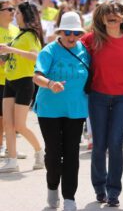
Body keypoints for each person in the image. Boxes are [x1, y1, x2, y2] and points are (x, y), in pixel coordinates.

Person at [81, 2, 123, 207]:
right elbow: (70, 51)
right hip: (98, 97)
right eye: (108, 14)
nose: (112, 16)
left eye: (116, 13)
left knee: (115, 144)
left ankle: (114, 191)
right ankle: (99, 188)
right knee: (99, 145)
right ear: (101, 18)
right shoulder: (91, 39)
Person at [33, 12, 88, 211]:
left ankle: (69, 198)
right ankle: (52, 187)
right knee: (54, 153)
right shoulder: (49, 51)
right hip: (49, 109)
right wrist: (50, 83)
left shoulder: (85, 51)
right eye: (67, 32)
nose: (71, 37)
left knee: (72, 153)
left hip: (76, 109)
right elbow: (36, 76)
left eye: (76, 33)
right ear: (60, 31)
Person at [0, 2, 45, 173]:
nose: (15, 15)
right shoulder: (19, 34)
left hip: (24, 82)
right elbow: (14, 56)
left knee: (19, 125)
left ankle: (39, 151)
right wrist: (5, 54)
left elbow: (35, 57)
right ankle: (12, 160)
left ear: (25, 15)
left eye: (17, 12)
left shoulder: (31, 36)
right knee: (7, 123)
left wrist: (11, 49)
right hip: (10, 80)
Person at [0, 0, 19, 158]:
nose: (13, 11)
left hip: (12, 78)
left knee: (11, 117)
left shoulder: (15, 29)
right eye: (9, 9)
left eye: (14, 9)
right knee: (1, 117)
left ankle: (10, 149)